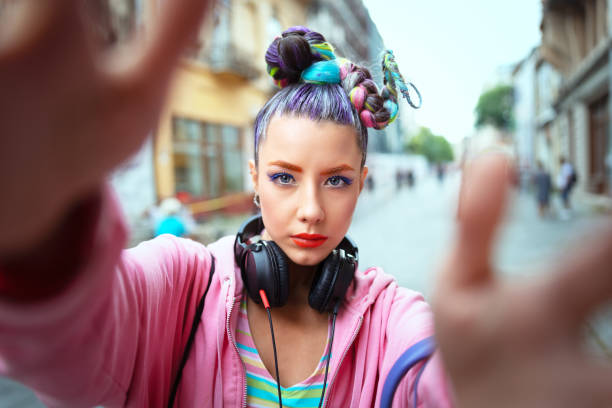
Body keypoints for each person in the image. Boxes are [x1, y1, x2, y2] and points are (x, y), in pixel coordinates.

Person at [1, 3, 611, 408]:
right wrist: (38, 233)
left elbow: (433, 374)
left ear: (366, 181)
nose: (311, 210)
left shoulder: (391, 319)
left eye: (337, 181)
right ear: (254, 180)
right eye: (284, 177)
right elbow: (75, 337)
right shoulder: (181, 287)